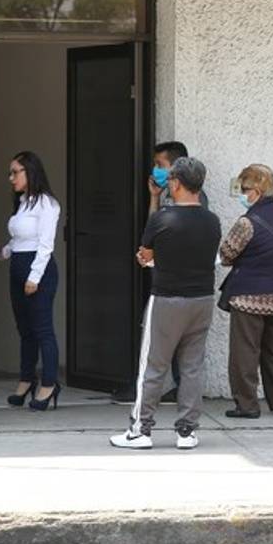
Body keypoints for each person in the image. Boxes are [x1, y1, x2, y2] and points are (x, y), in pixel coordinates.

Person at [111, 157, 222, 450]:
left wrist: (148, 259)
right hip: (203, 299)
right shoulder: (212, 221)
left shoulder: (162, 218)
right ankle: (186, 432)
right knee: (192, 367)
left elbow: (146, 255)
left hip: (167, 298)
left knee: (153, 366)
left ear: (175, 183)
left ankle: (141, 429)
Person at [122, 140, 210, 407]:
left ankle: (143, 418)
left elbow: (151, 240)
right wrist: (154, 198)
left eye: (160, 166)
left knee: (156, 356)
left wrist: (148, 254)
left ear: (176, 171)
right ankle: (187, 424)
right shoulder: (198, 213)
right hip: (196, 294)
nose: (155, 170)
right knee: (191, 360)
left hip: (172, 289)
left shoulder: (192, 205)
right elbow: (154, 231)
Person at [220, 165, 273, 419]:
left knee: (245, 351)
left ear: (257, 190)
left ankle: (247, 404)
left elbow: (226, 254)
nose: (242, 194)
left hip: (248, 296)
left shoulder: (247, 222)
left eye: (244, 189)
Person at [0, 151, 62, 411]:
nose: (11, 177)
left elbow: (45, 244)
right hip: (18, 266)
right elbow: (21, 238)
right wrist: (7, 250)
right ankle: (27, 379)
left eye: (15, 172)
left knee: (42, 329)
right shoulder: (23, 202)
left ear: (30, 172)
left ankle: (49, 383)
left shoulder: (46, 203)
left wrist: (34, 277)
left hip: (39, 270)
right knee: (25, 330)